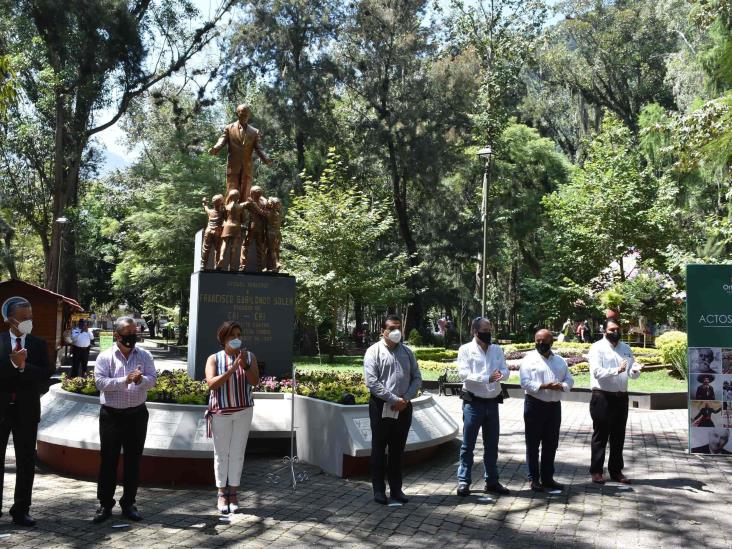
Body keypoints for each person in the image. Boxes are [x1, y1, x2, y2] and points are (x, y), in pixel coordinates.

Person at [92, 317, 157, 523]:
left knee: (133, 460)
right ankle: (105, 504)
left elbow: (153, 380)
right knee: (108, 460)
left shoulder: (144, 355)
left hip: (137, 415)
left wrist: (141, 380)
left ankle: (129, 503)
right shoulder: (105, 357)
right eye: (128, 332)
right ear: (118, 336)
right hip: (112, 416)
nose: (133, 335)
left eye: (134, 331)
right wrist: (125, 380)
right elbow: (100, 383)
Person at [0, 297, 52, 527]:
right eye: (23, 319)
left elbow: (46, 374)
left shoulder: (38, 344)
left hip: (27, 411)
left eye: (30, 318)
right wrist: (12, 365)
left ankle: (21, 509)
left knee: (25, 461)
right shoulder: (0, 341)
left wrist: (23, 366)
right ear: (10, 320)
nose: (28, 322)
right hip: (2, 410)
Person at [363, 314, 422, 505]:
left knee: (398, 450)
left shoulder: (408, 352)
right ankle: (379, 491)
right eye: (391, 328)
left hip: (404, 407)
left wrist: (404, 399)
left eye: (398, 328)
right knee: (379, 449)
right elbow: (372, 381)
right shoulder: (373, 352)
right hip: (381, 406)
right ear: (383, 331)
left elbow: (417, 378)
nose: (396, 331)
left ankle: (396, 489)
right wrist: (393, 399)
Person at [204, 321, 259, 514]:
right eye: (232, 335)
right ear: (223, 339)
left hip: (244, 410)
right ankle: (221, 493)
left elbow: (255, 381)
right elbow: (211, 384)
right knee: (221, 454)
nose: (236, 339)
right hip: (221, 412)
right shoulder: (214, 359)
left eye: (239, 334)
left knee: (237, 452)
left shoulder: (249, 356)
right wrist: (232, 369)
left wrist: (245, 364)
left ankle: (233, 493)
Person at [455, 317, 510, 497]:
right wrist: (486, 378)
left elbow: (506, 370)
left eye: (490, 330)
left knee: (492, 445)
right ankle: (464, 481)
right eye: (485, 330)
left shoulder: (496, 349)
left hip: (493, 403)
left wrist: (501, 374)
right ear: (475, 331)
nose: (488, 333)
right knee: (468, 445)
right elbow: (463, 373)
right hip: (473, 403)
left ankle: (492, 481)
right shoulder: (466, 350)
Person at [588, 318, 642, 484]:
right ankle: (597, 471)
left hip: (621, 397)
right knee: (601, 435)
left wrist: (635, 370)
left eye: (617, 329)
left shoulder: (626, 348)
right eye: (611, 329)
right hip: (602, 396)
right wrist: (616, 370)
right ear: (604, 331)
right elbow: (597, 372)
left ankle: (616, 471)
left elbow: (631, 374)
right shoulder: (597, 348)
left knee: (619, 436)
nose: (615, 332)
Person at [519, 329, 574, 492]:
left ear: (552, 342)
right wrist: (544, 386)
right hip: (534, 405)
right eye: (537, 341)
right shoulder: (529, 360)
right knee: (533, 444)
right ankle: (533, 479)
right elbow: (524, 382)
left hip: (554, 407)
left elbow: (569, 379)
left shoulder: (560, 361)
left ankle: (548, 477)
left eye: (544, 341)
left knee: (551, 444)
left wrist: (562, 386)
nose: (540, 344)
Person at [209, 104, 272, 201]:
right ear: (237, 114)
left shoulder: (254, 132)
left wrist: (265, 158)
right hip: (233, 165)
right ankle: (230, 213)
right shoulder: (229, 128)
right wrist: (215, 148)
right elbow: (222, 140)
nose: (244, 117)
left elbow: (259, 148)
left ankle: (243, 214)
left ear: (249, 116)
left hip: (247, 166)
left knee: (245, 192)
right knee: (231, 190)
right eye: (242, 115)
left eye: (246, 115)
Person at [240, 186, 269, 272]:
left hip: (252, 227)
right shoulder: (263, 203)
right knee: (260, 247)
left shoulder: (250, 203)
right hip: (261, 228)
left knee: (245, 245)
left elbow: (239, 207)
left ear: (252, 193)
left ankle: (242, 265)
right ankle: (261, 267)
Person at [201, 194, 225, 269]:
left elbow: (205, 207)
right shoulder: (223, 212)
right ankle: (217, 266)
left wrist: (204, 202)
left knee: (206, 248)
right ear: (220, 203)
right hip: (217, 232)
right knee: (218, 249)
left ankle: (203, 265)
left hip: (208, 231)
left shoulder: (210, 211)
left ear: (213, 203)